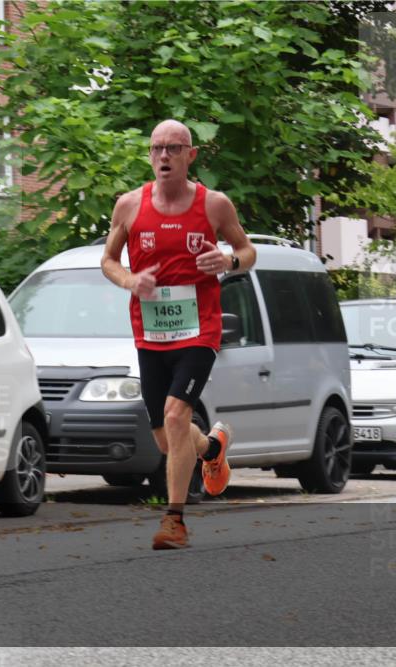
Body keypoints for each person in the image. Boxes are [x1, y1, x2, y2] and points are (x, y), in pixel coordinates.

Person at [102, 119, 257, 550]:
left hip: (199, 329)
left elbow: (248, 251)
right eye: (157, 148)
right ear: (150, 155)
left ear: (191, 155)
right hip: (151, 333)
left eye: (173, 148)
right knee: (165, 437)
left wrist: (228, 262)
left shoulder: (215, 205)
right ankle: (211, 448)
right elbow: (109, 261)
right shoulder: (129, 206)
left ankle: (175, 521)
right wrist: (130, 280)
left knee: (174, 417)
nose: (164, 156)